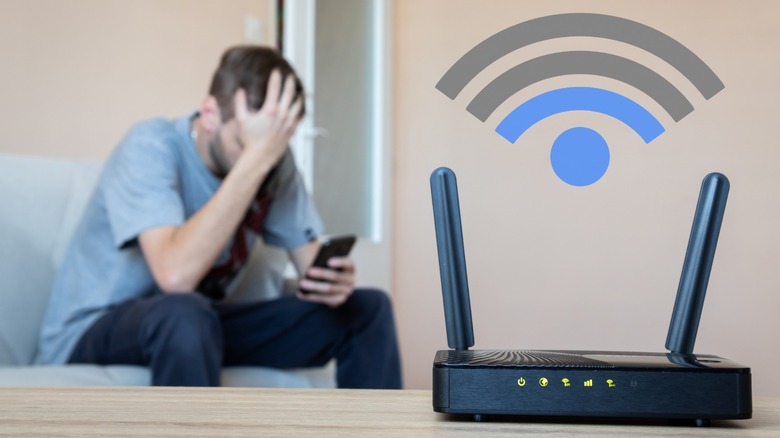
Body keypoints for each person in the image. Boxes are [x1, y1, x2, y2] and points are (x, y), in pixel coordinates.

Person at [36, 45, 402, 389]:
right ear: (210, 114)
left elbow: (311, 264)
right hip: (94, 329)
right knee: (183, 314)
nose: (265, 157)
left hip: (200, 326)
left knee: (367, 310)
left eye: (274, 145)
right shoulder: (150, 145)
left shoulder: (273, 161)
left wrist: (330, 281)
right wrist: (255, 159)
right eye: (246, 142)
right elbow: (175, 276)